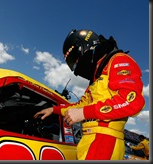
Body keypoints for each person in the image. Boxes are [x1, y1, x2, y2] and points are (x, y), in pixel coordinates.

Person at [34, 29, 145, 160]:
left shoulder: (118, 60)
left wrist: (84, 113)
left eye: (74, 59)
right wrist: (53, 109)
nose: (75, 66)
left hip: (104, 144)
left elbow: (132, 101)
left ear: (84, 47)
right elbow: (78, 107)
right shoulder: (96, 79)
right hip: (89, 141)